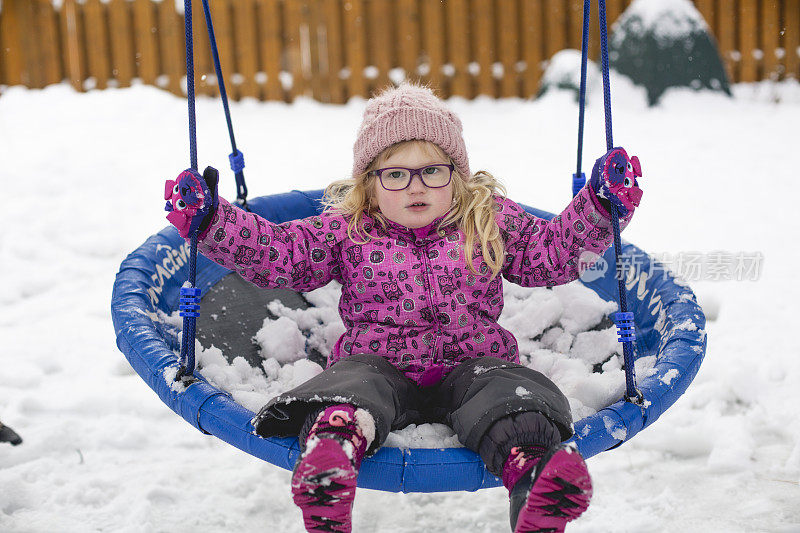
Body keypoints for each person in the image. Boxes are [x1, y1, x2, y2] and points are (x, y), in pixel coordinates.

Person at [164, 83, 643, 533]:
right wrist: (213, 222)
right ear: (369, 184)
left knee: (511, 390)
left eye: (432, 171)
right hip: (380, 363)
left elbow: (550, 254)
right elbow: (279, 253)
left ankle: (534, 474)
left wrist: (598, 209)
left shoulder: (488, 219)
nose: (416, 187)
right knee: (349, 383)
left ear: (457, 176)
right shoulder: (347, 230)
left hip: (471, 363)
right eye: (395, 174)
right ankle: (331, 460)